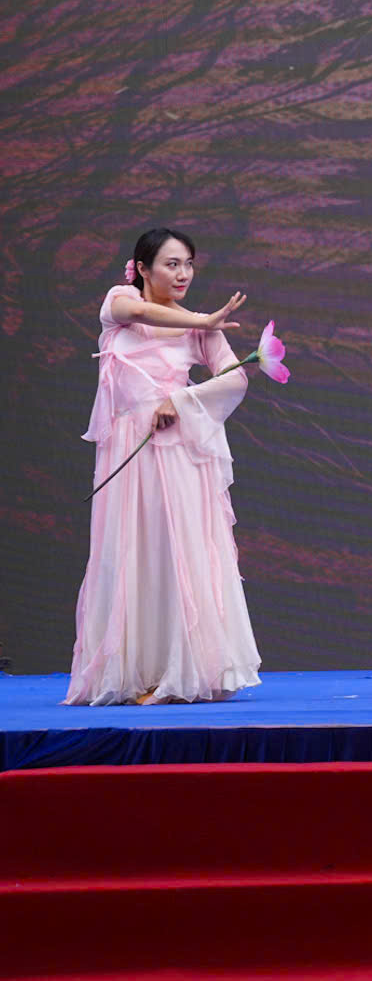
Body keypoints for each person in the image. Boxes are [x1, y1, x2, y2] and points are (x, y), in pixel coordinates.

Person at [69, 228, 261, 705]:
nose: (183, 274)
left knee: (177, 555)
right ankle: (137, 673)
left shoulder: (202, 328)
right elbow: (137, 312)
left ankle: (184, 671)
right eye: (172, 264)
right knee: (132, 554)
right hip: (127, 451)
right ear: (141, 268)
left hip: (176, 454)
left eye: (188, 264)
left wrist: (182, 399)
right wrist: (202, 318)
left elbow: (235, 380)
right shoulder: (119, 301)